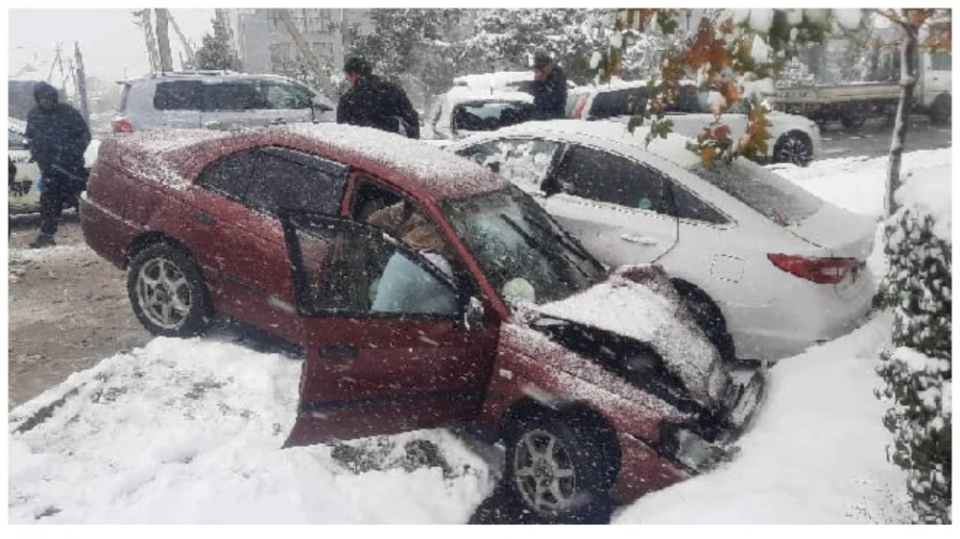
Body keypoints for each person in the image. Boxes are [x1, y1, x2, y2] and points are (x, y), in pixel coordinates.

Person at [24, 81, 91, 248]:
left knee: (81, 204)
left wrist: (71, 152)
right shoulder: (34, 115)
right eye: (42, 98)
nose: (45, 101)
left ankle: (95, 236)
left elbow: (84, 135)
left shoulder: (68, 113)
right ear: (37, 99)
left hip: (71, 168)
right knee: (49, 204)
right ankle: (46, 236)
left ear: (54, 98)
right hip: (48, 169)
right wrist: (35, 150)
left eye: (48, 98)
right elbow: (30, 136)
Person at [336, 56, 420, 139]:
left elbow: (343, 133)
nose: (348, 81)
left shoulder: (348, 100)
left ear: (353, 75)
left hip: (363, 148)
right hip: (397, 147)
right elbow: (411, 118)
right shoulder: (393, 90)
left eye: (347, 77)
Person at [531, 52, 568, 120]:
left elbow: (555, 98)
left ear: (550, 66)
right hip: (539, 116)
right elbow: (536, 96)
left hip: (555, 117)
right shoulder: (541, 78)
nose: (540, 70)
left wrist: (544, 82)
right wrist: (538, 82)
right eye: (537, 68)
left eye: (542, 67)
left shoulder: (558, 77)